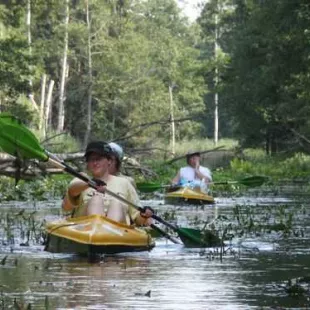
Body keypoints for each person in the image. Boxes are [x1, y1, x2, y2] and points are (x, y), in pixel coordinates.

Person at [62, 141, 153, 226]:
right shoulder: (81, 179)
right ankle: (98, 230)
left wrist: (144, 215)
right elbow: (68, 201)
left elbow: (139, 218)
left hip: (117, 232)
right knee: (96, 199)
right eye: (91, 159)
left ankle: (109, 233)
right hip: (88, 229)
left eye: (99, 159)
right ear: (88, 164)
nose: (95, 163)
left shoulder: (124, 183)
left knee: (116, 203)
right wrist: (89, 184)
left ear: (109, 161)